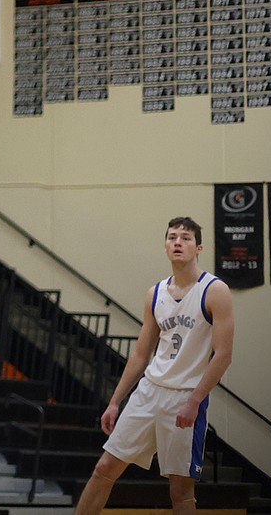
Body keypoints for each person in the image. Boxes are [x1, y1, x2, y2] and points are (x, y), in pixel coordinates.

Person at [73, 217, 234, 515]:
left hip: (184, 397)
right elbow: (139, 355)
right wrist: (114, 401)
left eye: (185, 238)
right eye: (172, 237)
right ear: (164, 246)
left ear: (198, 247)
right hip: (148, 392)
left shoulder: (215, 291)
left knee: (180, 491)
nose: (177, 242)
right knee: (103, 469)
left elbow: (223, 355)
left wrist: (195, 401)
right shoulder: (155, 293)